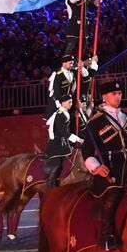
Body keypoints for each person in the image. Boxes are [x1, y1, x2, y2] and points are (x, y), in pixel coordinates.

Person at [83, 80, 127, 250]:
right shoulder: (95, 122)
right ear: (104, 97)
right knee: (113, 197)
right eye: (114, 94)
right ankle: (106, 237)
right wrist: (97, 167)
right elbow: (87, 151)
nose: (118, 96)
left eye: (119, 93)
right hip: (110, 169)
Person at [44, 55, 86, 186]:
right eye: (69, 63)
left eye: (72, 63)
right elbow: (56, 91)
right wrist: (60, 106)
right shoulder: (58, 74)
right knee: (58, 129)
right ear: (63, 63)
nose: (71, 65)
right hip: (58, 103)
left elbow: (82, 75)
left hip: (66, 102)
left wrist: (82, 66)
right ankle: (50, 182)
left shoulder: (71, 72)